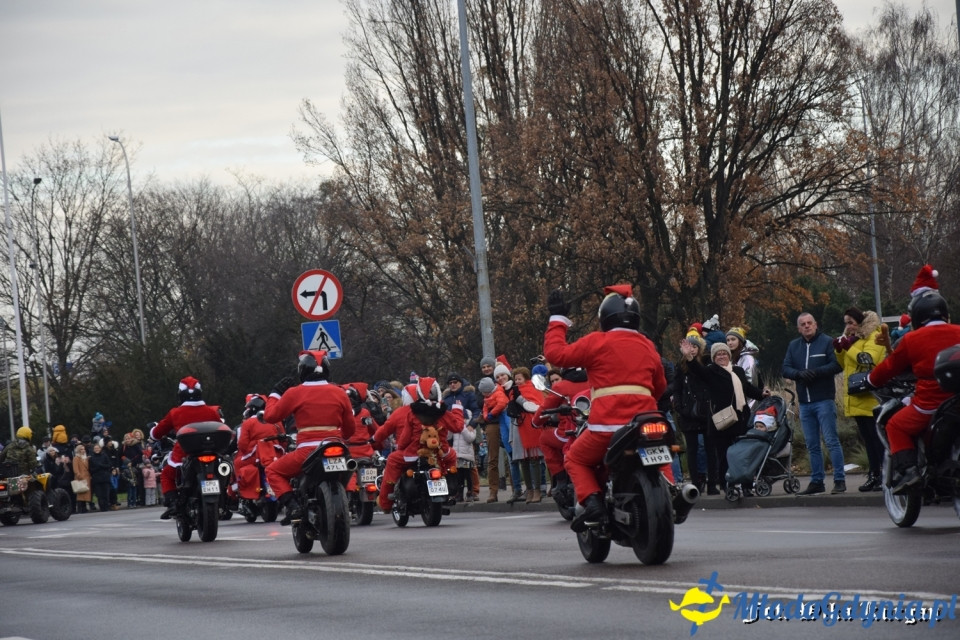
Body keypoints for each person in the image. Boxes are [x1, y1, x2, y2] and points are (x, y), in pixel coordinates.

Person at [543, 284, 669, 532]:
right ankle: (672, 491)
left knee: (575, 459)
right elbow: (660, 385)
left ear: (605, 316)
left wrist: (557, 319)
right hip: (646, 419)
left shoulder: (597, 342)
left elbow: (556, 354)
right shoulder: (647, 345)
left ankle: (593, 505)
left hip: (607, 425)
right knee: (659, 455)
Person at [867, 286, 960, 493]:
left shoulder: (911, 339)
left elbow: (889, 367)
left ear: (917, 315)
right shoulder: (959, 331)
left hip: (930, 404)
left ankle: (910, 472)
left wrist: (871, 379)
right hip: (957, 400)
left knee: (895, 426)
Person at [261, 350, 355, 525]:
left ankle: (292, 506)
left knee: (272, 471)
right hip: (336, 446)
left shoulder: (295, 393)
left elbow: (270, 416)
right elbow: (350, 429)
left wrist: (274, 394)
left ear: (302, 370)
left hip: (306, 451)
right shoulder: (340, 392)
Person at [372, 377, 463, 513]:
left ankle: (385, 502)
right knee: (451, 458)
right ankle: (452, 487)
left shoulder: (409, 413)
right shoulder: (442, 411)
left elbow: (403, 437)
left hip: (414, 453)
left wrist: (400, 447)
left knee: (392, 460)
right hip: (439, 451)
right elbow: (457, 427)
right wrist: (457, 410)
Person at [686, 341, 768, 490]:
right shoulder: (710, 371)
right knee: (724, 455)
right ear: (713, 357)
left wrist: (761, 394)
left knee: (743, 454)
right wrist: (690, 358)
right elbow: (697, 370)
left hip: (740, 419)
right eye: (718, 354)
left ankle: (746, 485)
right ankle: (726, 485)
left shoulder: (738, 371)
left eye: (724, 353)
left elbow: (747, 388)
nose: (721, 356)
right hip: (722, 421)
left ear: (729, 356)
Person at [782, 312, 845, 495]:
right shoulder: (794, 346)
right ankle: (817, 481)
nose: (807, 326)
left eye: (810, 323)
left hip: (824, 400)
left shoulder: (827, 342)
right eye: (803, 324)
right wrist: (799, 374)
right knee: (812, 444)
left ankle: (839, 480)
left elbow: (836, 365)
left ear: (816, 324)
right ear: (799, 328)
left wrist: (815, 372)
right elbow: (785, 368)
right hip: (805, 403)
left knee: (831, 440)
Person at [150, 376, 225, 519]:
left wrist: (153, 433)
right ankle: (225, 498)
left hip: (184, 454)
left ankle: (172, 503)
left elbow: (157, 432)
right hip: (210, 451)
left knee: (167, 474)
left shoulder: (175, 413)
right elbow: (221, 427)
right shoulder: (211, 411)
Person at [835, 307, 886, 492]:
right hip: (858, 397)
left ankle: (883, 475)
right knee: (868, 440)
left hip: (870, 397)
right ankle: (874, 475)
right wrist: (840, 350)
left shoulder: (874, 336)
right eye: (845, 323)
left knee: (876, 439)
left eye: (851, 322)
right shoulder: (854, 340)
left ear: (860, 322)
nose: (848, 327)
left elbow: (867, 359)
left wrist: (848, 348)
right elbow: (844, 365)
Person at [532, 366, 591, 500]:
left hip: (570, 431)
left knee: (544, 438)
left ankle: (560, 478)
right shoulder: (593, 381)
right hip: (594, 427)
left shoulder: (562, 387)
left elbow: (545, 407)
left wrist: (535, 422)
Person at [672, 335, 719, 494]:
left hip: (706, 413)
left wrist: (691, 359)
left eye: (694, 346)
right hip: (688, 414)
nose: (691, 349)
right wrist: (679, 406)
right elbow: (676, 388)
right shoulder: (680, 366)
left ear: (699, 349)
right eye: (688, 346)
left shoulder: (706, 363)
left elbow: (703, 375)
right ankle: (696, 483)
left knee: (710, 450)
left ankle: (712, 484)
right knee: (691, 451)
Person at [507, 366, 544, 503]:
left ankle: (537, 490)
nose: (517, 381)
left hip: (531, 426)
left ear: (526, 378)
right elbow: (511, 411)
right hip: (518, 427)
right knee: (523, 460)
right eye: (515, 379)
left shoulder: (532, 389)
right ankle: (529, 489)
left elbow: (536, 406)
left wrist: (520, 399)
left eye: (519, 379)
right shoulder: (513, 392)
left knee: (534, 460)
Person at [477, 376, 509, 502]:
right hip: (492, 424)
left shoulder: (501, 390)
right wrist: (486, 417)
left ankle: (518, 490)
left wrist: (490, 414)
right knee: (492, 458)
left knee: (513, 456)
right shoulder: (486, 394)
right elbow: (483, 406)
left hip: (504, 421)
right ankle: (493, 491)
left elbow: (502, 403)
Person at [88, 443, 114, 512]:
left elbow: (109, 465)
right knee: (99, 495)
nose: (97, 449)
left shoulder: (104, 456)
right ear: (93, 450)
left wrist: (101, 465)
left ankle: (106, 506)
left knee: (106, 493)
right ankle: (102, 507)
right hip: (96, 478)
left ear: (100, 449)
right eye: (95, 448)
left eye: (98, 448)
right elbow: (90, 469)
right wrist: (97, 468)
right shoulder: (91, 458)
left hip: (105, 477)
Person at [72, 444, 92, 513]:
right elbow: (75, 469)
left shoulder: (86, 458)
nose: (83, 450)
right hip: (80, 477)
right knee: (81, 494)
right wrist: (79, 475)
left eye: (83, 449)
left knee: (85, 493)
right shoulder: (76, 458)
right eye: (81, 449)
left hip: (87, 477)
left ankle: (85, 507)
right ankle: (81, 508)